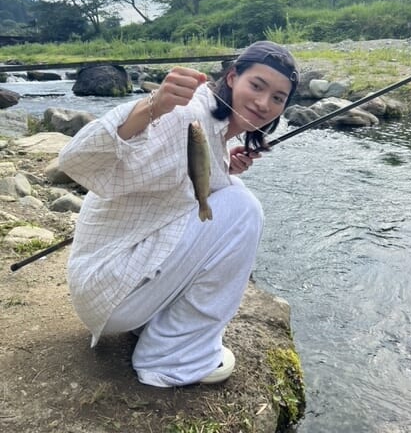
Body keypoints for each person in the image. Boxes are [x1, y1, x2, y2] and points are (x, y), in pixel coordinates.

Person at [58, 40, 299, 388]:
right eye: (256, 86)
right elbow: (75, 159)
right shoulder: (187, 112)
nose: (263, 103)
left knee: (232, 190)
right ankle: (173, 359)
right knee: (245, 209)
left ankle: (160, 328)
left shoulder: (214, 132)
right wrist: (152, 104)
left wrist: (222, 167)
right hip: (109, 291)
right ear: (232, 77)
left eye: (278, 98)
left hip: (109, 290)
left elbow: (176, 185)